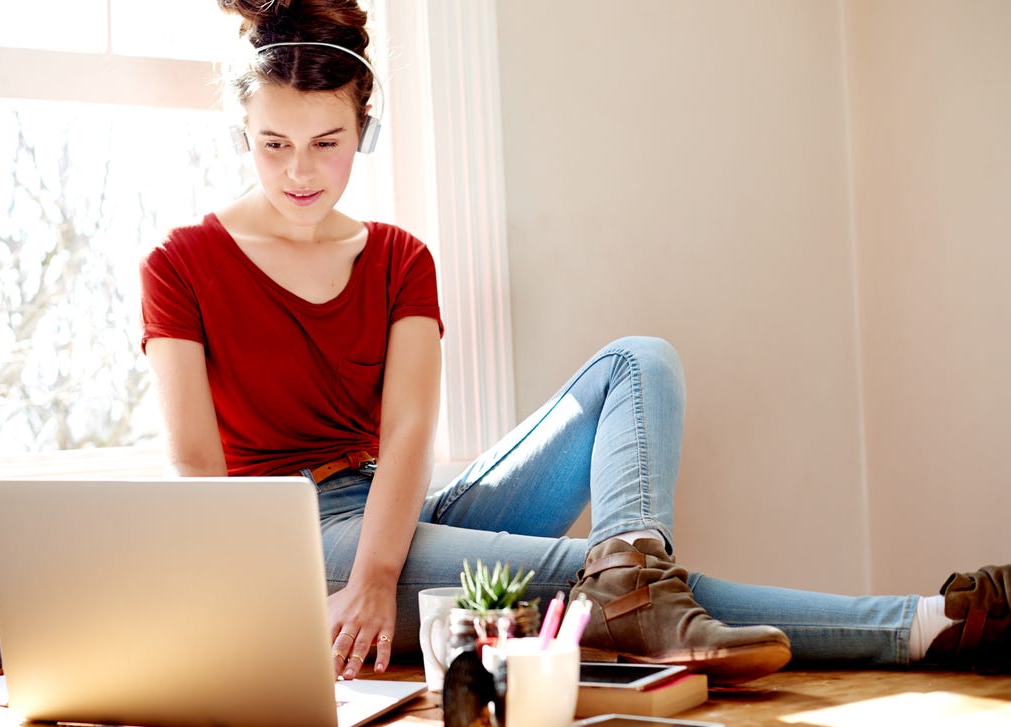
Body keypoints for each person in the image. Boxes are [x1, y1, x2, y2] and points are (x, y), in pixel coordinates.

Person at [139, 0, 1010, 685]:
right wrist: (348, 584)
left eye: (327, 143)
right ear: (242, 134)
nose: (300, 171)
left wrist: (381, 569)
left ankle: (631, 566)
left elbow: (408, 434)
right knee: (570, 572)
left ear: (363, 126)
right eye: (274, 144)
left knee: (641, 360)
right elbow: (198, 473)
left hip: (398, 508)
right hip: (295, 533)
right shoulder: (180, 264)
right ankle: (926, 623)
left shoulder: (400, 258)